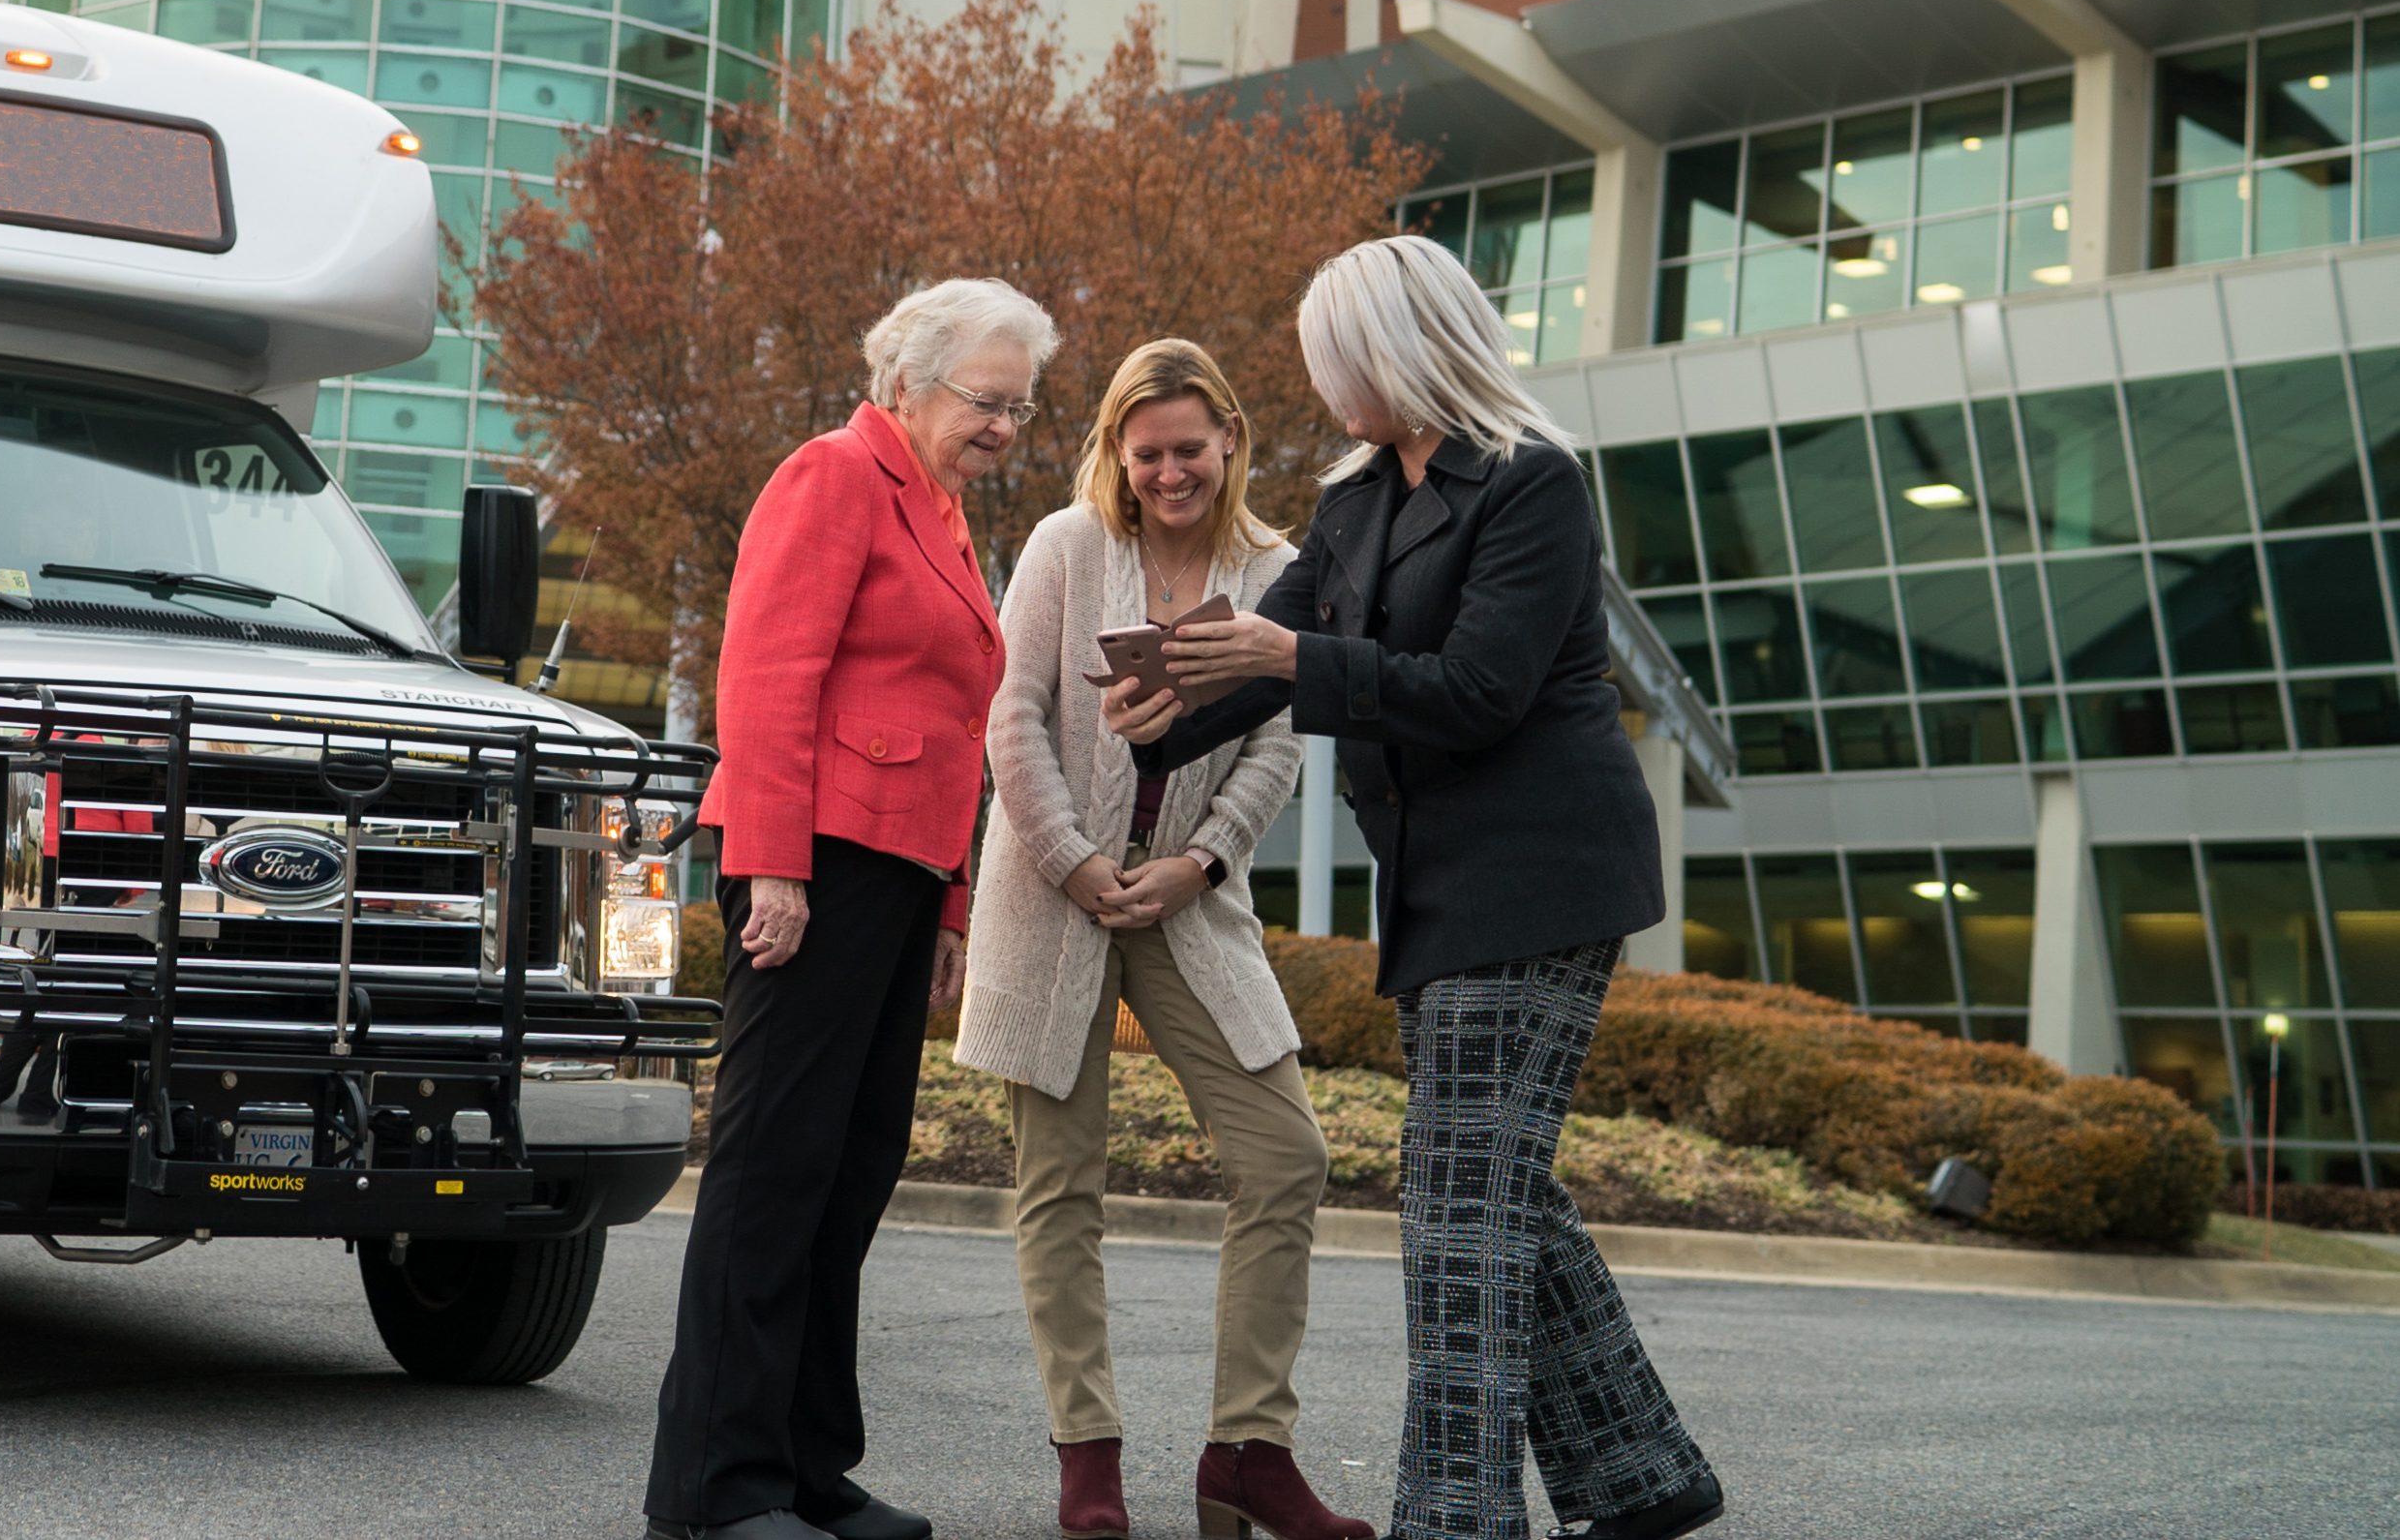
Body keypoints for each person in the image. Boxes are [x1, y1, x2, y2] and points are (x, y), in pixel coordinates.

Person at [1136, 237, 1723, 1540]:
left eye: (1333, 356)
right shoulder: (1353, 499)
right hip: (1436, 887)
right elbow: (1256, 666)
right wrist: (1143, 710)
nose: (1319, 380)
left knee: (1458, 1200)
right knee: (1492, 1177)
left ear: (1399, 346)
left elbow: (1474, 692)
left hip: (1540, 875)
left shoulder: (1532, 486)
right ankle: (1639, 1470)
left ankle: (1453, 1515)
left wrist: (1287, 651)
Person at [643, 277, 1062, 1540]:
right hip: (811, 856)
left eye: (1017, 406)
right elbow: (765, 676)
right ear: (903, 381)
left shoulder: (932, 505)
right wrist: (770, 861)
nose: (1000, 425)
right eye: (983, 400)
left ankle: (805, 1468)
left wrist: (944, 909)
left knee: (848, 1170)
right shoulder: (830, 475)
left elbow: (946, 728)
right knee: (773, 1169)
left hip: (893, 866)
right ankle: (713, 1492)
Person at [957, 341, 1371, 1540]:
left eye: (1188, 448)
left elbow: (1277, 740)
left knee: (1283, 1154)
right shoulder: (1063, 546)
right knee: (1058, 1181)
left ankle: (1247, 1452)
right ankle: (1087, 1460)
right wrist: (1072, 862)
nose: (1168, 473)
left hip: (1192, 902)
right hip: (1053, 897)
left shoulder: (1276, 567)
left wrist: (1200, 860)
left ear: (1229, 438)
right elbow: (1011, 716)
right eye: (1145, 454)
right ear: (1116, 455)